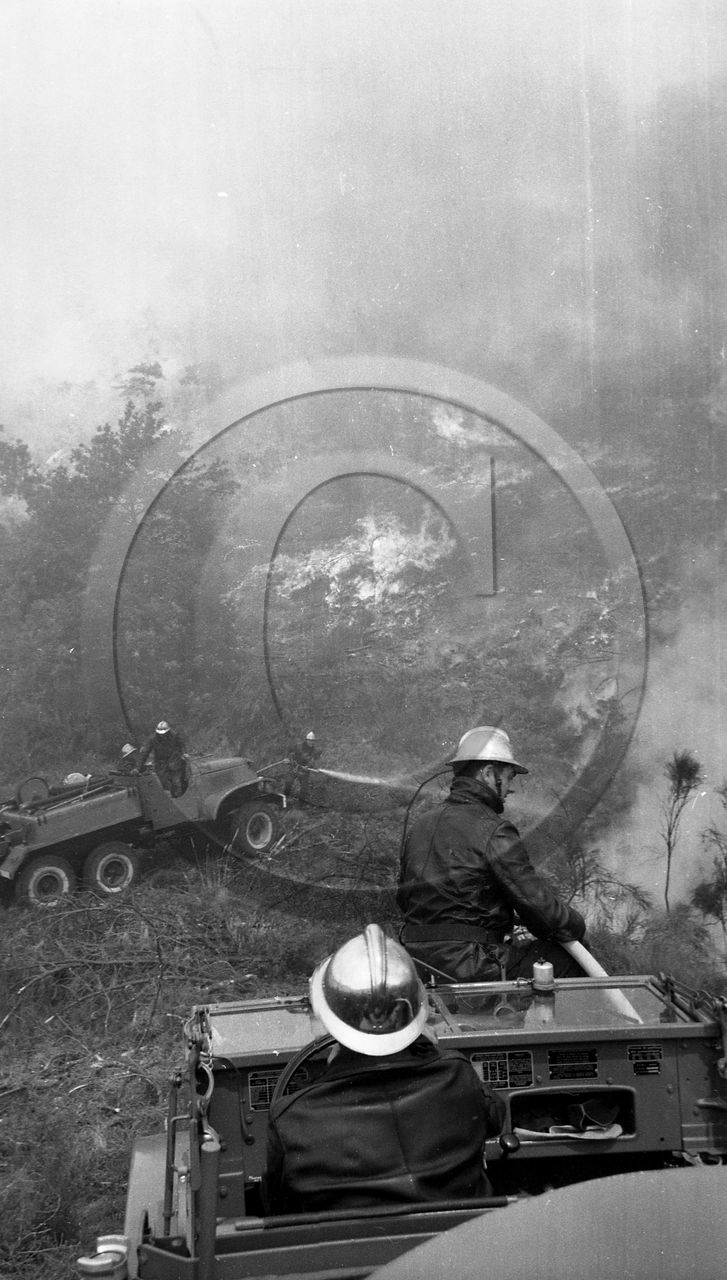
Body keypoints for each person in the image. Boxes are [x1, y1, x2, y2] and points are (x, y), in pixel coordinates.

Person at [262, 923, 504, 1216]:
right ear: (414, 1013)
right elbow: (495, 1117)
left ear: (331, 1021)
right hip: (461, 1238)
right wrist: (429, 1051)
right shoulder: (458, 1076)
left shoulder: (291, 1118)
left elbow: (278, 1207)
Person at [397, 726, 587, 984]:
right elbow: (544, 914)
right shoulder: (494, 829)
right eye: (508, 778)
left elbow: (405, 900)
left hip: (416, 964)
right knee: (569, 960)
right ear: (488, 773)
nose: (510, 790)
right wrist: (577, 925)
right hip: (472, 966)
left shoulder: (420, 825)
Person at [136, 720, 188, 796]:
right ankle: (170, 797)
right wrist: (138, 767)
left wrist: (184, 753)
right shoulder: (153, 739)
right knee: (164, 784)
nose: (162, 735)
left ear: (168, 731)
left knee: (176, 782)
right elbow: (145, 752)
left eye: (164, 734)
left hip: (174, 761)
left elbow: (182, 745)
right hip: (161, 763)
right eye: (160, 734)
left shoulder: (174, 735)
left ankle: (179, 797)